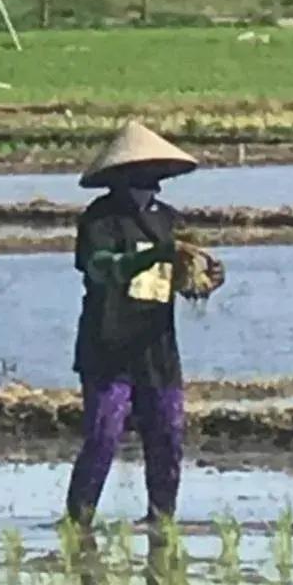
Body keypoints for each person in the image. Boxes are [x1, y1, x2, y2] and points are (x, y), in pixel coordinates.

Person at [66, 120, 198, 526]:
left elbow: (183, 266)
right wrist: (155, 255)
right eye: (141, 172)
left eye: (154, 172)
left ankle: (162, 520)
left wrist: (202, 275)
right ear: (121, 176)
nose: (150, 180)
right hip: (108, 347)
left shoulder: (169, 220)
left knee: (167, 438)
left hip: (156, 348)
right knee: (104, 436)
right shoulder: (99, 221)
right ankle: (79, 519)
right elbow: (103, 268)